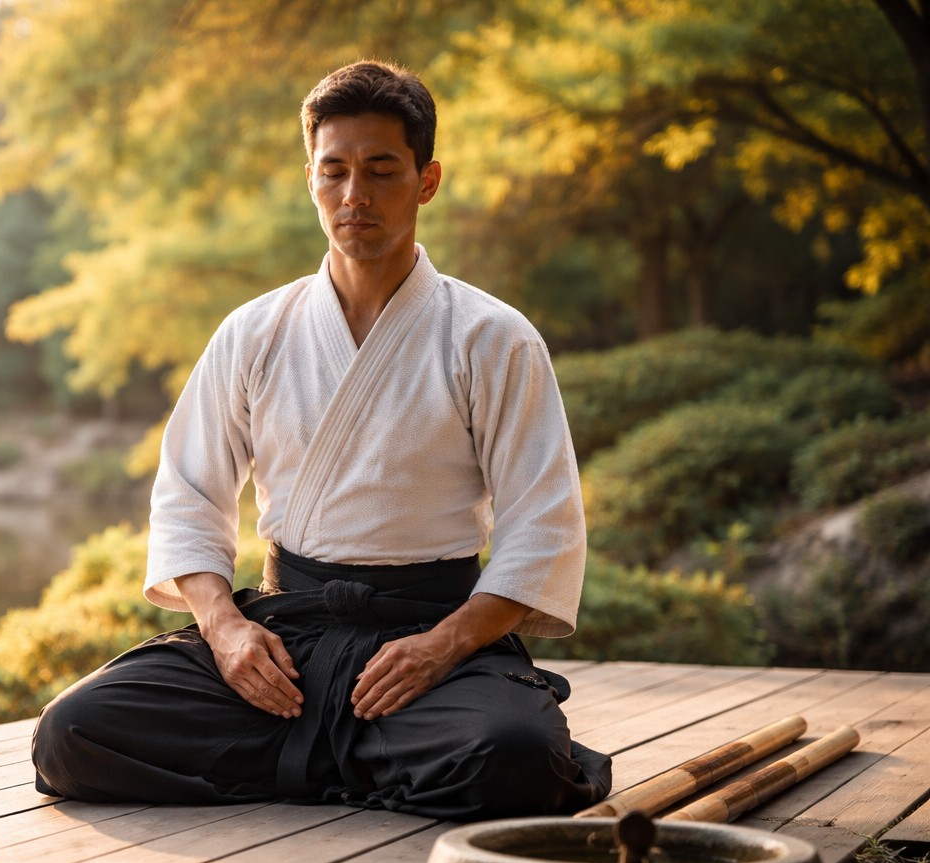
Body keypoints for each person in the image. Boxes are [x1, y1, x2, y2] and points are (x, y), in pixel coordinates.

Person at [32, 60, 612, 822]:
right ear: (310, 177)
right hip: (286, 638)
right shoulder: (254, 332)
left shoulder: (491, 338)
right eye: (333, 171)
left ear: (427, 180)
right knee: (72, 735)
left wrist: (443, 646)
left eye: (381, 171)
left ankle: (303, 756)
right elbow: (189, 495)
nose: (355, 196)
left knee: (515, 756)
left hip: (427, 638)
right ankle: (368, 761)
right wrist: (227, 629)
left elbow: (542, 524)